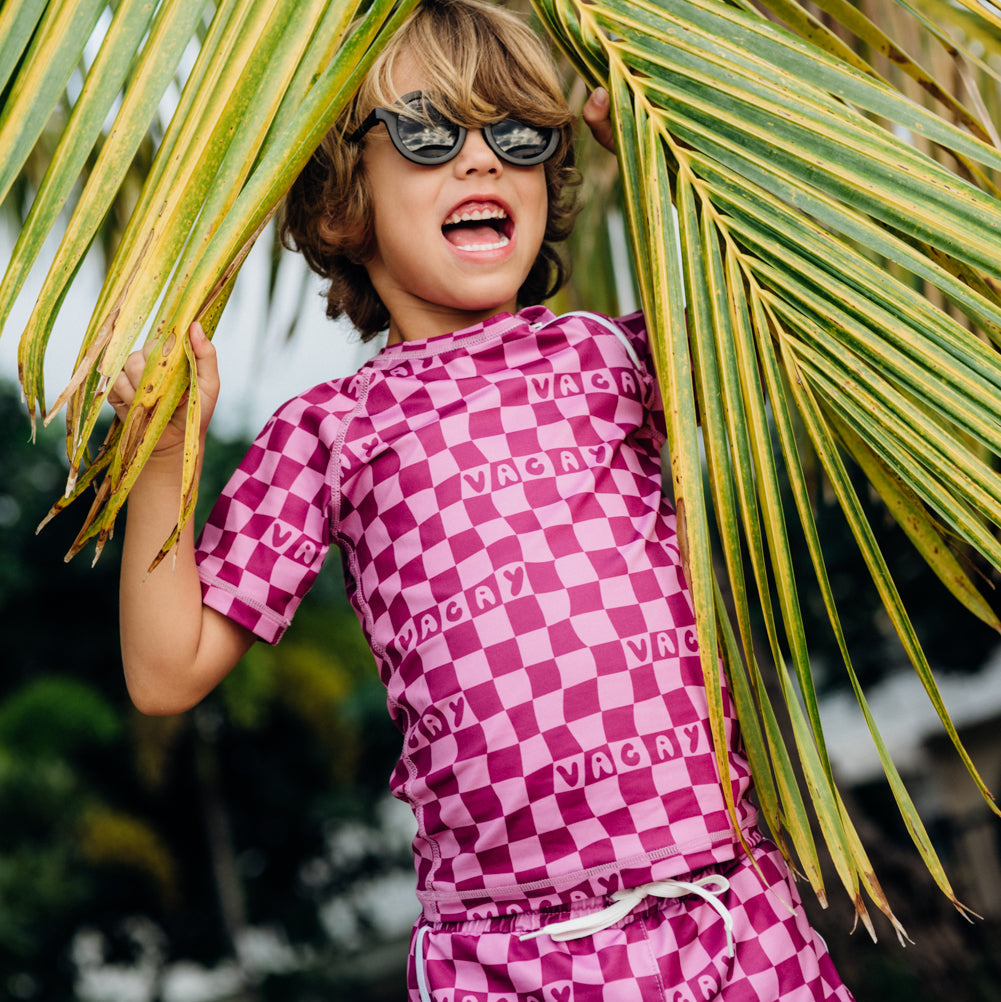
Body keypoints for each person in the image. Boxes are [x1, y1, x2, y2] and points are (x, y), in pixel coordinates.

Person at [113, 1, 855, 998]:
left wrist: (654, 165)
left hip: (724, 914)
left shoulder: (615, 360)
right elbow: (167, 673)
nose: (481, 162)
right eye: (428, 132)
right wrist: (163, 460)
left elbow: (784, 327)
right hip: (502, 957)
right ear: (342, 193)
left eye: (517, 135)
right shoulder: (331, 431)